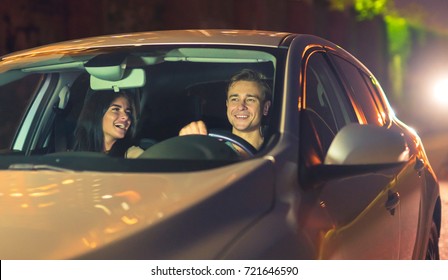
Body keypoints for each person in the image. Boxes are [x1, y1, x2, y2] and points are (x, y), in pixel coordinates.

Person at [179, 69, 272, 156]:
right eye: (235, 99)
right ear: (227, 105)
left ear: (265, 108)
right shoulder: (211, 151)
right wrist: (186, 144)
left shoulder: (277, 151)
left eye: (250, 100)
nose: (240, 106)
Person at [73, 90, 144, 158]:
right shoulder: (76, 150)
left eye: (128, 112)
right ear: (97, 114)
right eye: (116, 109)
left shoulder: (133, 154)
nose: (126, 117)